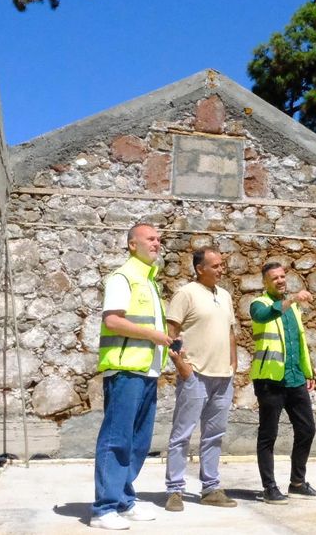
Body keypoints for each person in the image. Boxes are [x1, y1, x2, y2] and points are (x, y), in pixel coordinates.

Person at [90, 224, 175, 530]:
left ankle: (124, 500)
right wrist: (154, 335)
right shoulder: (122, 277)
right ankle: (104, 508)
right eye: (151, 238)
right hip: (126, 370)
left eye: (158, 239)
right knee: (117, 440)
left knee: (138, 442)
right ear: (131, 244)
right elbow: (113, 321)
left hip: (147, 371)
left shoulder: (149, 281)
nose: (157, 243)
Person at [163, 246, 238, 511]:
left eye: (222, 264)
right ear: (200, 269)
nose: (221, 269)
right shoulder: (186, 294)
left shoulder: (225, 295)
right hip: (195, 374)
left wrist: (233, 363)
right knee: (182, 434)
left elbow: (230, 332)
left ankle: (210, 488)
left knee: (214, 435)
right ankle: (175, 490)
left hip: (223, 376)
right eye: (216, 265)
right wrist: (182, 366)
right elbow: (171, 333)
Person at [249, 262, 316, 504]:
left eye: (283, 276)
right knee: (268, 435)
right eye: (275, 278)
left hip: (294, 378)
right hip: (269, 380)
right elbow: (265, 315)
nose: (281, 280)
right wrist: (292, 298)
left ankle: (297, 483)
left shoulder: (293, 310)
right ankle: (269, 487)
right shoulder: (258, 304)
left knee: (307, 429)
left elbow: (299, 341)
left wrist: (308, 371)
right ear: (265, 282)